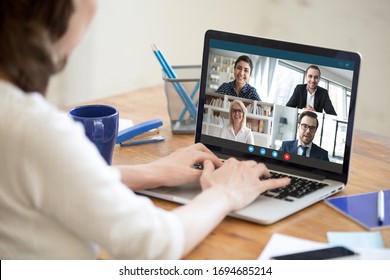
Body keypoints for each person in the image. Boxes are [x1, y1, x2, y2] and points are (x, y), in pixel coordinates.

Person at [0, 0, 290, 259]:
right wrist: (225, 193)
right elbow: (153, 244)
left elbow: (48, 178)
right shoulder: (33, 130)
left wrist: (148, 172)